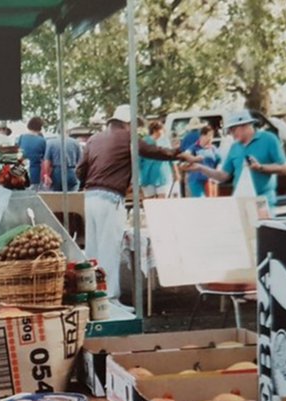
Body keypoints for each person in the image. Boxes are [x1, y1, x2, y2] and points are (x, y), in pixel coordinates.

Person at [76, 105, 188, 309]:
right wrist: (178, 153)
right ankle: (109, 300)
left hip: (90, 196)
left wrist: (88, 182)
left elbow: (80, 169)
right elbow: (154, 151)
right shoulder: (128, 137)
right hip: (110, 197)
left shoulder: (94, 139)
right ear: (128, 123)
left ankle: (92, 296)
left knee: (93, 249)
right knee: (109, 249)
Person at [183, 110, 286, 208]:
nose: (231, 134)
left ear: (245, 126)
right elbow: (223, 176)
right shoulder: (235, 147)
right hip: (241, 201)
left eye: (233, 129)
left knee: (261, 223)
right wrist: (200, 168)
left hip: (262, 200)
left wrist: (261, 167)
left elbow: (285, 168)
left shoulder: (269, 139)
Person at [139, 121, 174, 199]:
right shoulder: (144, 142)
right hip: (147, 177)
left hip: (163, 176)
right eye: (162, 129)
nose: (163, 131)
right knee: (150, 202)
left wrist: (176, 172)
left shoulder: (165, 141)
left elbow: (172, 157)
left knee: (162, 201)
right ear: (155, 130)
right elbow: (138, 161)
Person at [185, 126, 221, 198]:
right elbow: (185, 160)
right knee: (200, 201)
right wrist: (194, 159)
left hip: (210, 180)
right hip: (196, 180)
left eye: (212, 136)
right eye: (208, 135)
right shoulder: (193, 148)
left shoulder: (213, 149)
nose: (210, 138)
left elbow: (219, 161)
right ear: (202, 136)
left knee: (211, 201)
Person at [17, 116, 46, 187]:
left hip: (20, 170)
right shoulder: (42, 141)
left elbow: (17, 153)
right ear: (40, 127)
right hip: (35, 171)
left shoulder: (21, 137)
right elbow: (44, 158)